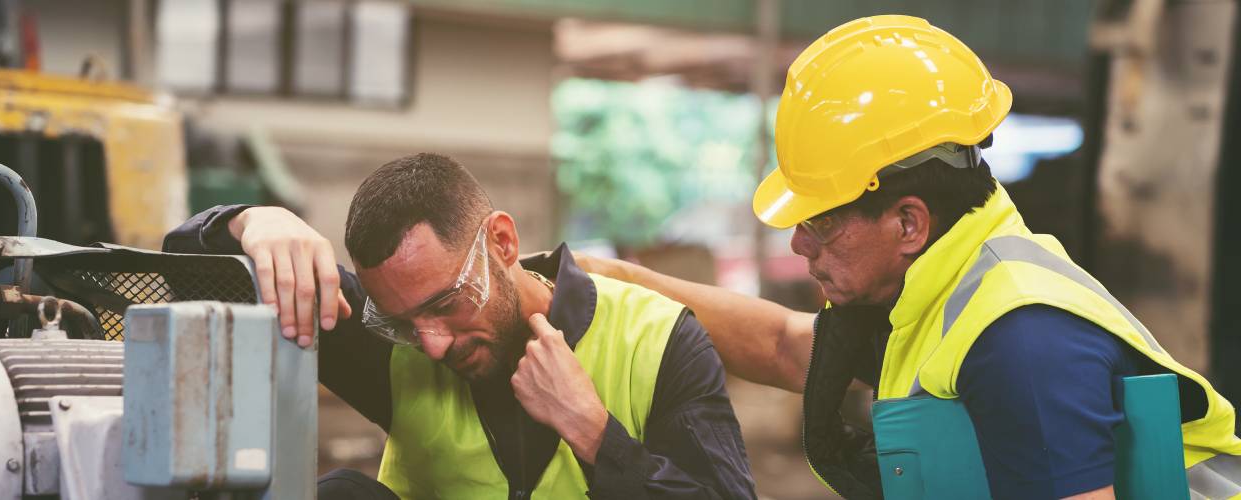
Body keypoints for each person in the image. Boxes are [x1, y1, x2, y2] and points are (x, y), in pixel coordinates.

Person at [574, 14, 1241, 500]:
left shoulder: (1021, 338)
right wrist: (615, 279)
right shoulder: (942, 292)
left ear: (908, 223)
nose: (800, 245)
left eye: (821, 223)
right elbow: (784, 347)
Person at [163, 153, 756, 499]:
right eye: (401, 320)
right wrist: (249, 222)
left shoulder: (656, 341)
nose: (430, 343)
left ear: (503, 242)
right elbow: (179, 275)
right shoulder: (390, 339)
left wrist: (597, 436)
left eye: (447, 302)